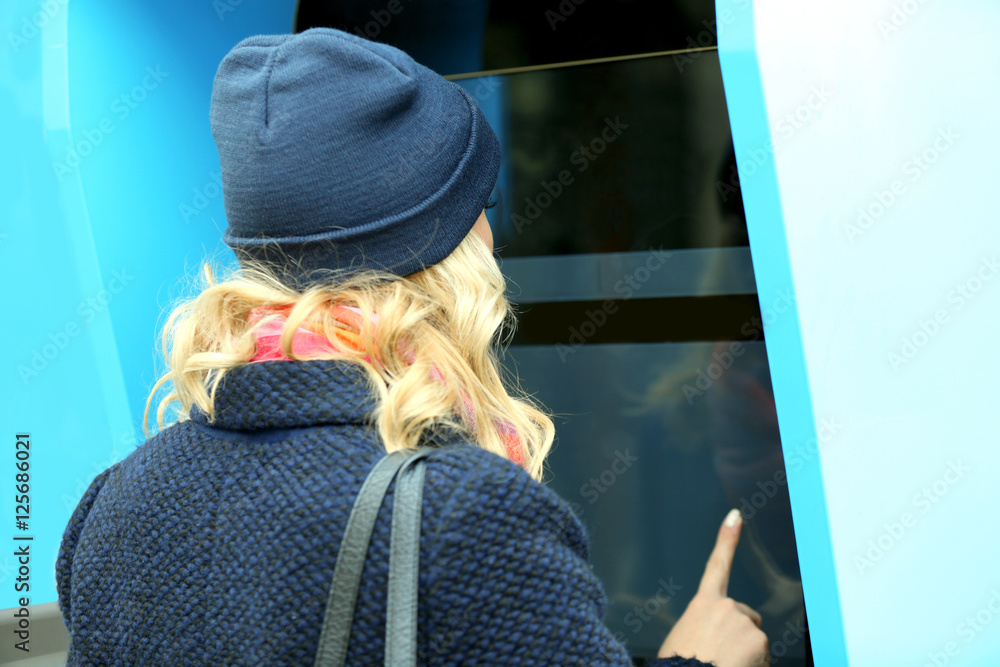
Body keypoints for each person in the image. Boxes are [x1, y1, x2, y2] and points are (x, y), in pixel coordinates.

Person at [55, 28, 769, 666]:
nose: (492, 241)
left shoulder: (114, 505)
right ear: (439, 253)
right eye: (479, 210)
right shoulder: (464, 515)